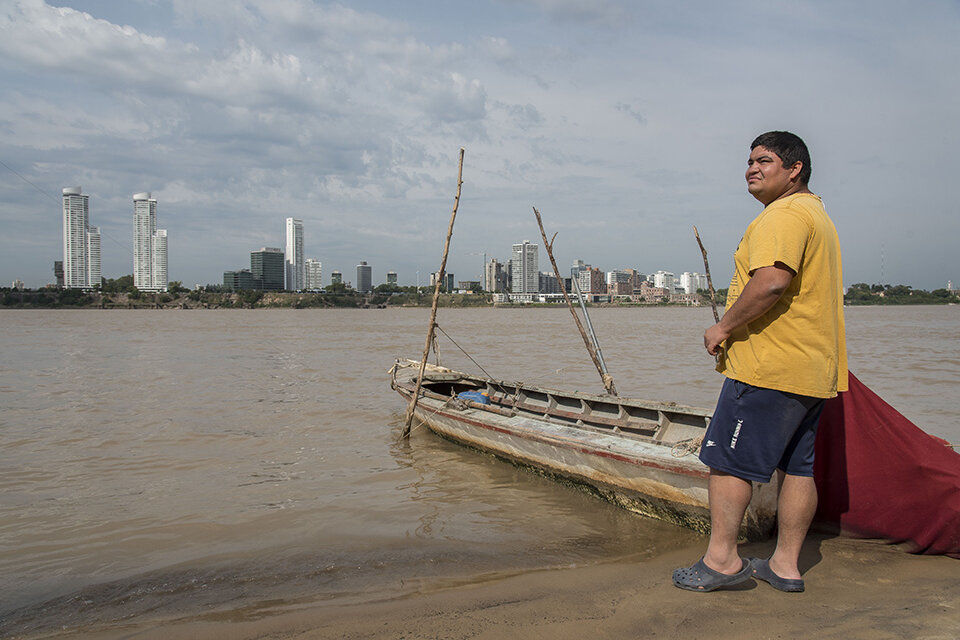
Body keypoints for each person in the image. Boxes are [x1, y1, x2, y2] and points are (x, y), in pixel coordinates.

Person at [672, 131, 847, 593]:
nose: (751, 168)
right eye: (749, 161)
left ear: (795, 170)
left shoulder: (783, 215)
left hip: (769, 368)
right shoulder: (816, 215)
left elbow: (771, 281)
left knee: (728, 463)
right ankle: (786, 565)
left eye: (764, 160)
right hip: (813, 373)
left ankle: (722, 561)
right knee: (798, 468)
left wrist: (723, 327)